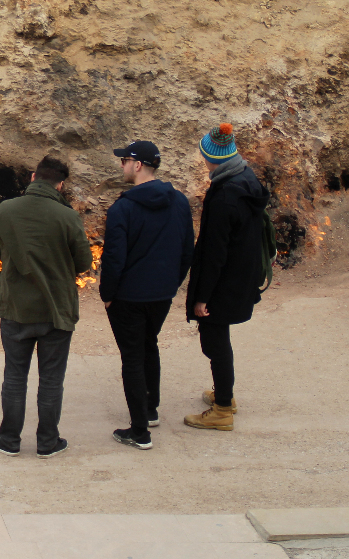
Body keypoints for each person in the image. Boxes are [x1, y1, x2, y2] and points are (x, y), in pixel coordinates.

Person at [0, 155, 94, 458]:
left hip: (16, 308)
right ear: (60, 185)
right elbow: (84, 262)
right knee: (51, 380)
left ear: (33, 177)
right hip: (56, 311)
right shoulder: (68, 217)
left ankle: (9, 440)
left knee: (15, 376)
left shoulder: (6, 210)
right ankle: (47, 442)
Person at [99, 140, 194, 450]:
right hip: (161, 295)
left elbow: (114, 258)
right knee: (148, 345)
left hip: (128, 297)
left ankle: (139, 431)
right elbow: (186, 250)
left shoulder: (123, 207)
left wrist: (108, 295)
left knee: (132, 358)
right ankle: (150, 409)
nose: (122, 166)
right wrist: (171, 283)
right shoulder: (179, 202)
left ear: (138, 165)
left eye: (125, 161)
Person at [183, 123, 269, 432]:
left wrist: (202, 297)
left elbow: (214, 252)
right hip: (242, 274)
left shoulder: (223, 197)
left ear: (212, 157)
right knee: (220, 340)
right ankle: (224, 394)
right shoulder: (246, 179)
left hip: (223, 282)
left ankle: (222, 409)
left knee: (215, 342)